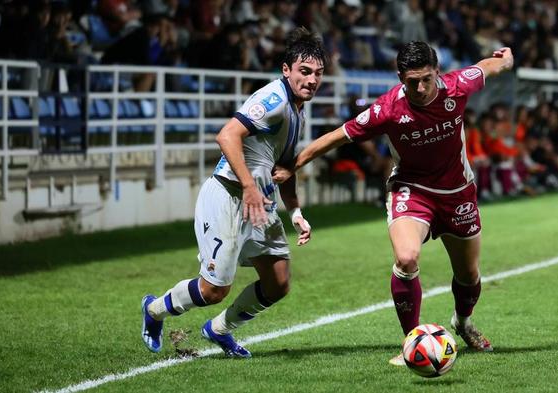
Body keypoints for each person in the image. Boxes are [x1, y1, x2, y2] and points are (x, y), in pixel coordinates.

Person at [272, 41, 514, 365]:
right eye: (411, 81)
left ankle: (463, 322)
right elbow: (337, 136)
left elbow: (487, 67)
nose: (420, 87)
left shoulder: (457, 86)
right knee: (406, 257)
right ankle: (411, 341)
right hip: (411, 191)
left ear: (437, 72)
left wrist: (506, 60)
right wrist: (293, 164)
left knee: (469, 275)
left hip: (458, 193)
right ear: (400, 76)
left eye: (426, 79)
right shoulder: (387, 109)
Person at [141, 27, 328, 357]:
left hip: (258, 204)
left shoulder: (297, 108)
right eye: (304, 71)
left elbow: (284, 167)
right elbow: (227, 135)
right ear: (286, 70)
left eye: (317, 73)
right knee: (213, 290)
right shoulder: (273, 99)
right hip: (228, 198)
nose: (311, 80)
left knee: (278, 281)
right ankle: (154, 310)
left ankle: (218, 330)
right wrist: (248, 187)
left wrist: (296, 212)